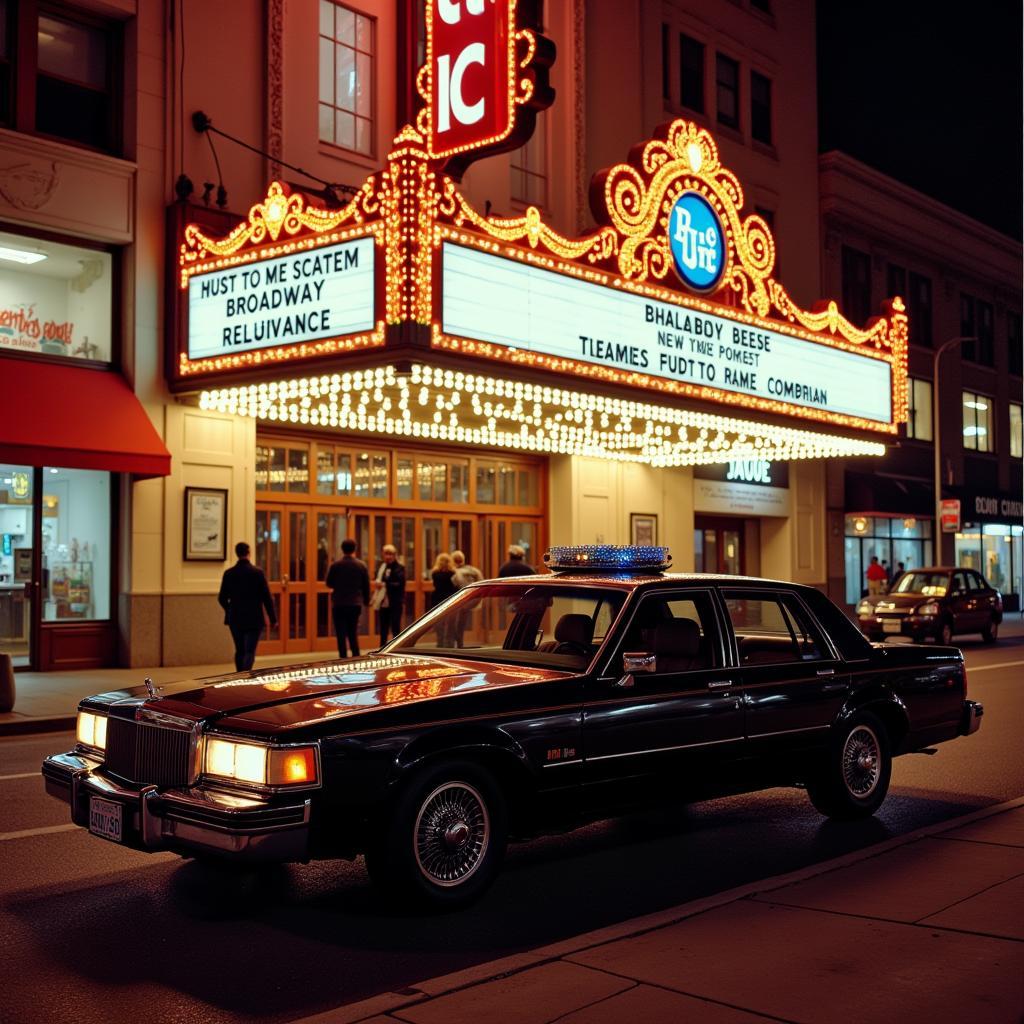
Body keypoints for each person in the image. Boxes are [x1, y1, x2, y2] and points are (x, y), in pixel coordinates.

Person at [217, 541, 276, 672]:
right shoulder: (258, 573)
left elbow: (221, 598)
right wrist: (273, 619)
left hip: (235, 618)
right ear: (249, 553)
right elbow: (267, 598)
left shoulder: (229, 573)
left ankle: (239, 675)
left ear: (236, 554)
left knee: (239, 650)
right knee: (250, 651)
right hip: (254, 618)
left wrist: (229, 609)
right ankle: (246, 675)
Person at [326, 538, 369, 658]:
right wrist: (366, 600)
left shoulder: (336, 565)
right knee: (352, 632)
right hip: (355, 603)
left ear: (342, 549)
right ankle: (356, 656)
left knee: (340, 633)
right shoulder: (361, 565)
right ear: (354, 549)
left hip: (339, 603)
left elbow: (329, 583)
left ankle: (343, 657)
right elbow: (366, 585)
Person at [372, 544, 406, 647]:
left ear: (395, 555)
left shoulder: (400, 568)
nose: (388, 556)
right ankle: (382, 648)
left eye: (390, 554)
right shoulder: (382, 567)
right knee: (383, 628)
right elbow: (379, 579)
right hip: (383, 602)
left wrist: (384, 584)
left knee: (395, 627)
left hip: (395, 602)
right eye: (386, 554)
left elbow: (399, 584)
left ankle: (396, 648)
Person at [451, 550, 482, 647]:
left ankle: (456, 641)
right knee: (461, 621)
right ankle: (459, 641)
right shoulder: (473, 570)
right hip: (471, 598)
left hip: (459, 599)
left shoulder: (454, 572)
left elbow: (455, 584)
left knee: (455, 621)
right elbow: (481, 581)